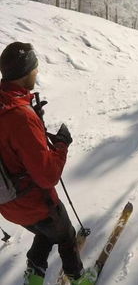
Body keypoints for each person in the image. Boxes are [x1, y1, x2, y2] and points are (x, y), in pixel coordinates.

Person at [0, 42, 96, 285]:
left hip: (8, 204)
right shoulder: (20, 116)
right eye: (35, 68)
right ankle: (78, 279)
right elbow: (47, 176)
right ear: (25, 72)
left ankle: (34, 274)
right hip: (35, 201)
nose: (37, 72)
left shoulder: (7, 104)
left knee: (45, 230)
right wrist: (61, 144)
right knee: (65, 235)